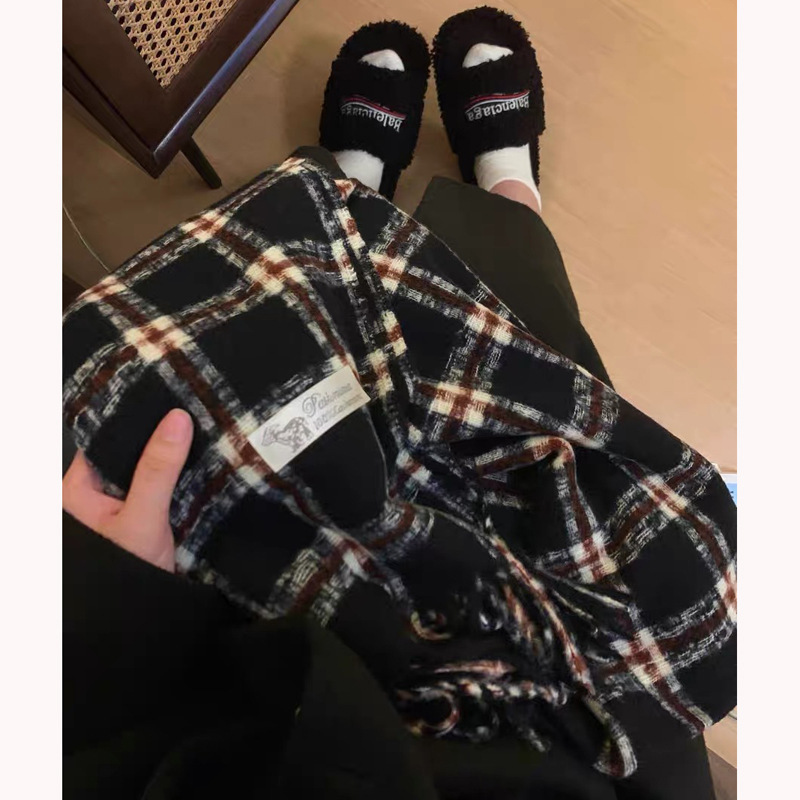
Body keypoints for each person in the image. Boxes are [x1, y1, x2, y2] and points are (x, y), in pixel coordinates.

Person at [63, 9, 731, 799]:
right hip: (523, 757)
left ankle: (350, 193)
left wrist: (114, 620)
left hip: (229, 705)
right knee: (532, 357)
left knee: (240, 354)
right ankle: (505, 195)